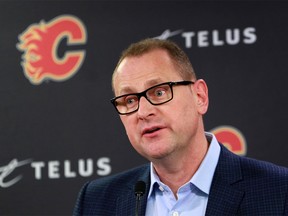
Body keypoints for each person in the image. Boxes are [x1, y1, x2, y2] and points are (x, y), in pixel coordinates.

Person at [73, 38, 288, 215]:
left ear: (200, 96)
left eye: (159, 92)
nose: (143, 112)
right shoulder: (96, 203)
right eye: (129, 100)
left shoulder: (278, 191)